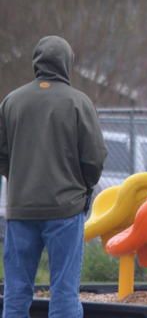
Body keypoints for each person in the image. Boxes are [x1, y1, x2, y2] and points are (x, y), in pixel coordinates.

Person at [0, 36, 108, 318]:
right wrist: (84, 188)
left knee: (15, 293)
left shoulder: (11, 101)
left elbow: (2, 153)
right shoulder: (78, 102)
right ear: (66, 63)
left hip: (21, 209)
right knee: (64, 292)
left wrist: (19, 179)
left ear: (36, 62)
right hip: (65, 209)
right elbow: (95, 156)